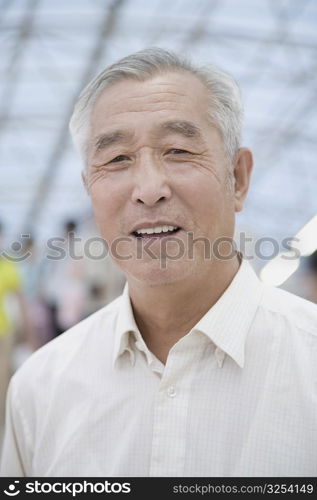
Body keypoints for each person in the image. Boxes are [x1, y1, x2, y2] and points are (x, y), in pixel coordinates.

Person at [1, 48, 316, 477]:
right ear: (90, 189)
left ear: (238, 178)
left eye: (179, 151)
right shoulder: (40, 389)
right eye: (117, 159)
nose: (149, 189)